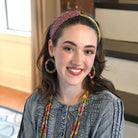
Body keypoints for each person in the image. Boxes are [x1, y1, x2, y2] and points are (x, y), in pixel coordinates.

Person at [18, 10, 124, 138]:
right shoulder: (35, 102)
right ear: (52, 48)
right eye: (69, 48)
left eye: (88, 51)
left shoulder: (108, 106)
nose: (78, 61)